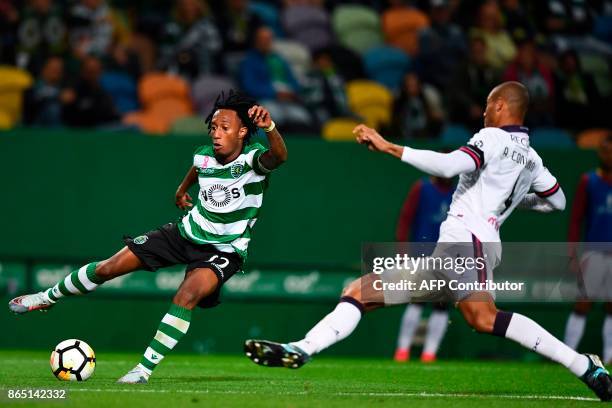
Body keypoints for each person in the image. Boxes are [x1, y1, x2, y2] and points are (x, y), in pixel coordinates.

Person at [243, 81, 612, 401]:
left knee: (483, 318)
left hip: (467, 243)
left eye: (487, 106)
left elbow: (450, 167)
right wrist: (508, 205)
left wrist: (390, 147)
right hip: (454, 250)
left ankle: (584, 367)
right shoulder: (532, 157)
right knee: (360, 291)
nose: (483, 113)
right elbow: (557, 201)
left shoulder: (492, 137)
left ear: (500, 106)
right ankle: (302, 348)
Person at [9, 90, 288, 384]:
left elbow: (279, 156)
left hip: (224, 249)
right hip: (185, 233)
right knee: (107, 267)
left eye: (224, 128)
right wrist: (182, 190)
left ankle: (142, 370)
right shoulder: (204, 155)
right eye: (213, 128)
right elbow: (198, 167)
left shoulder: (253, 160)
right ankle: (45, 297)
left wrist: (270, 128)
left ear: (243, 131)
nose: (216, 134)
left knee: (186, 296)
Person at [394, 173, 454, 362]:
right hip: (422, 253)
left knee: (442, 305)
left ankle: (429, 353)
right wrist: (403, 251)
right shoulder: (421, 188)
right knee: (417, 300)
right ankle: (402, 351)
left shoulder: (459, 192)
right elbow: (405, 219)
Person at [563, 133, 612, 364]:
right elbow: (576, 220)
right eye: (603, 150)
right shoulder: (588, 181)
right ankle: (567, 353)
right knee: (583, 304)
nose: (607, 155)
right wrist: (573, 254)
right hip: (594, 253)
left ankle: (610, 356)